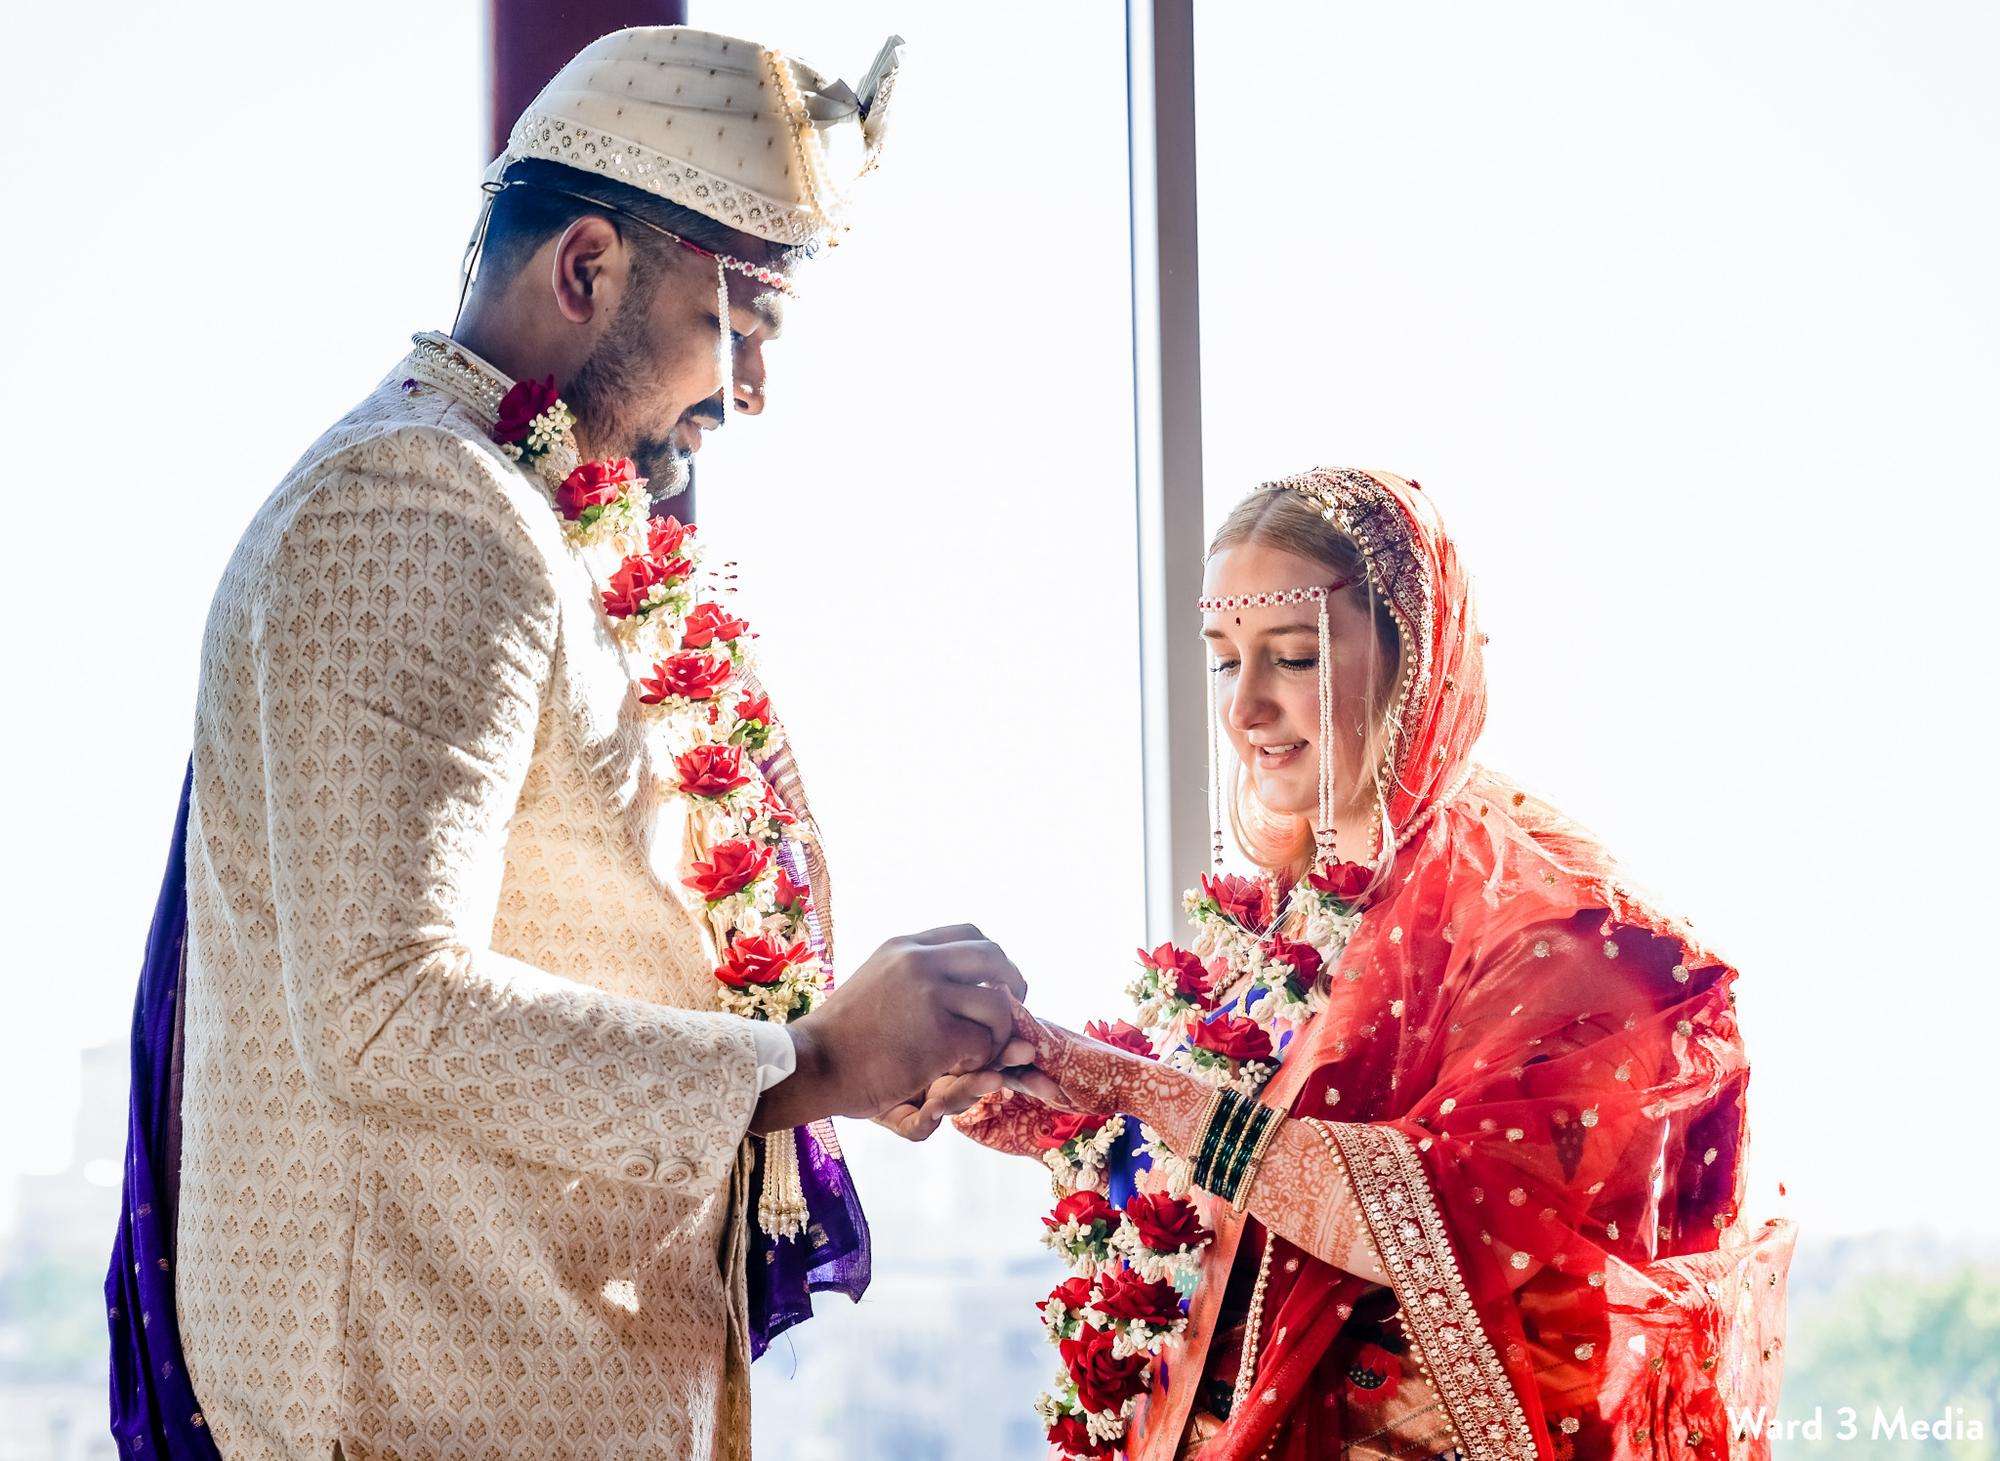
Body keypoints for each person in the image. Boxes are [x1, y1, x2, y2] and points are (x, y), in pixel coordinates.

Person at [105, 26, 1028, 1461]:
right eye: (742, 322)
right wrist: (808, 1060)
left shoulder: (529, 509)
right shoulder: (416, 505)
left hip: (532, 1383)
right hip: (417, 1404)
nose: (749, 393)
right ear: (587, 268)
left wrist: (851, 1046)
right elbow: (386, 1006)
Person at [949, 468, 1793, 1459]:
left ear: (1411, 658)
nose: (1244, 709)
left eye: (1293, 657)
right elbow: (1214, 1170)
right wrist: (1022, 1081)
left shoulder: (1556, 936)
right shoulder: (1288, 914)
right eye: (1225, 662)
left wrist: (1129, 1084)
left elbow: (1441, 1219)